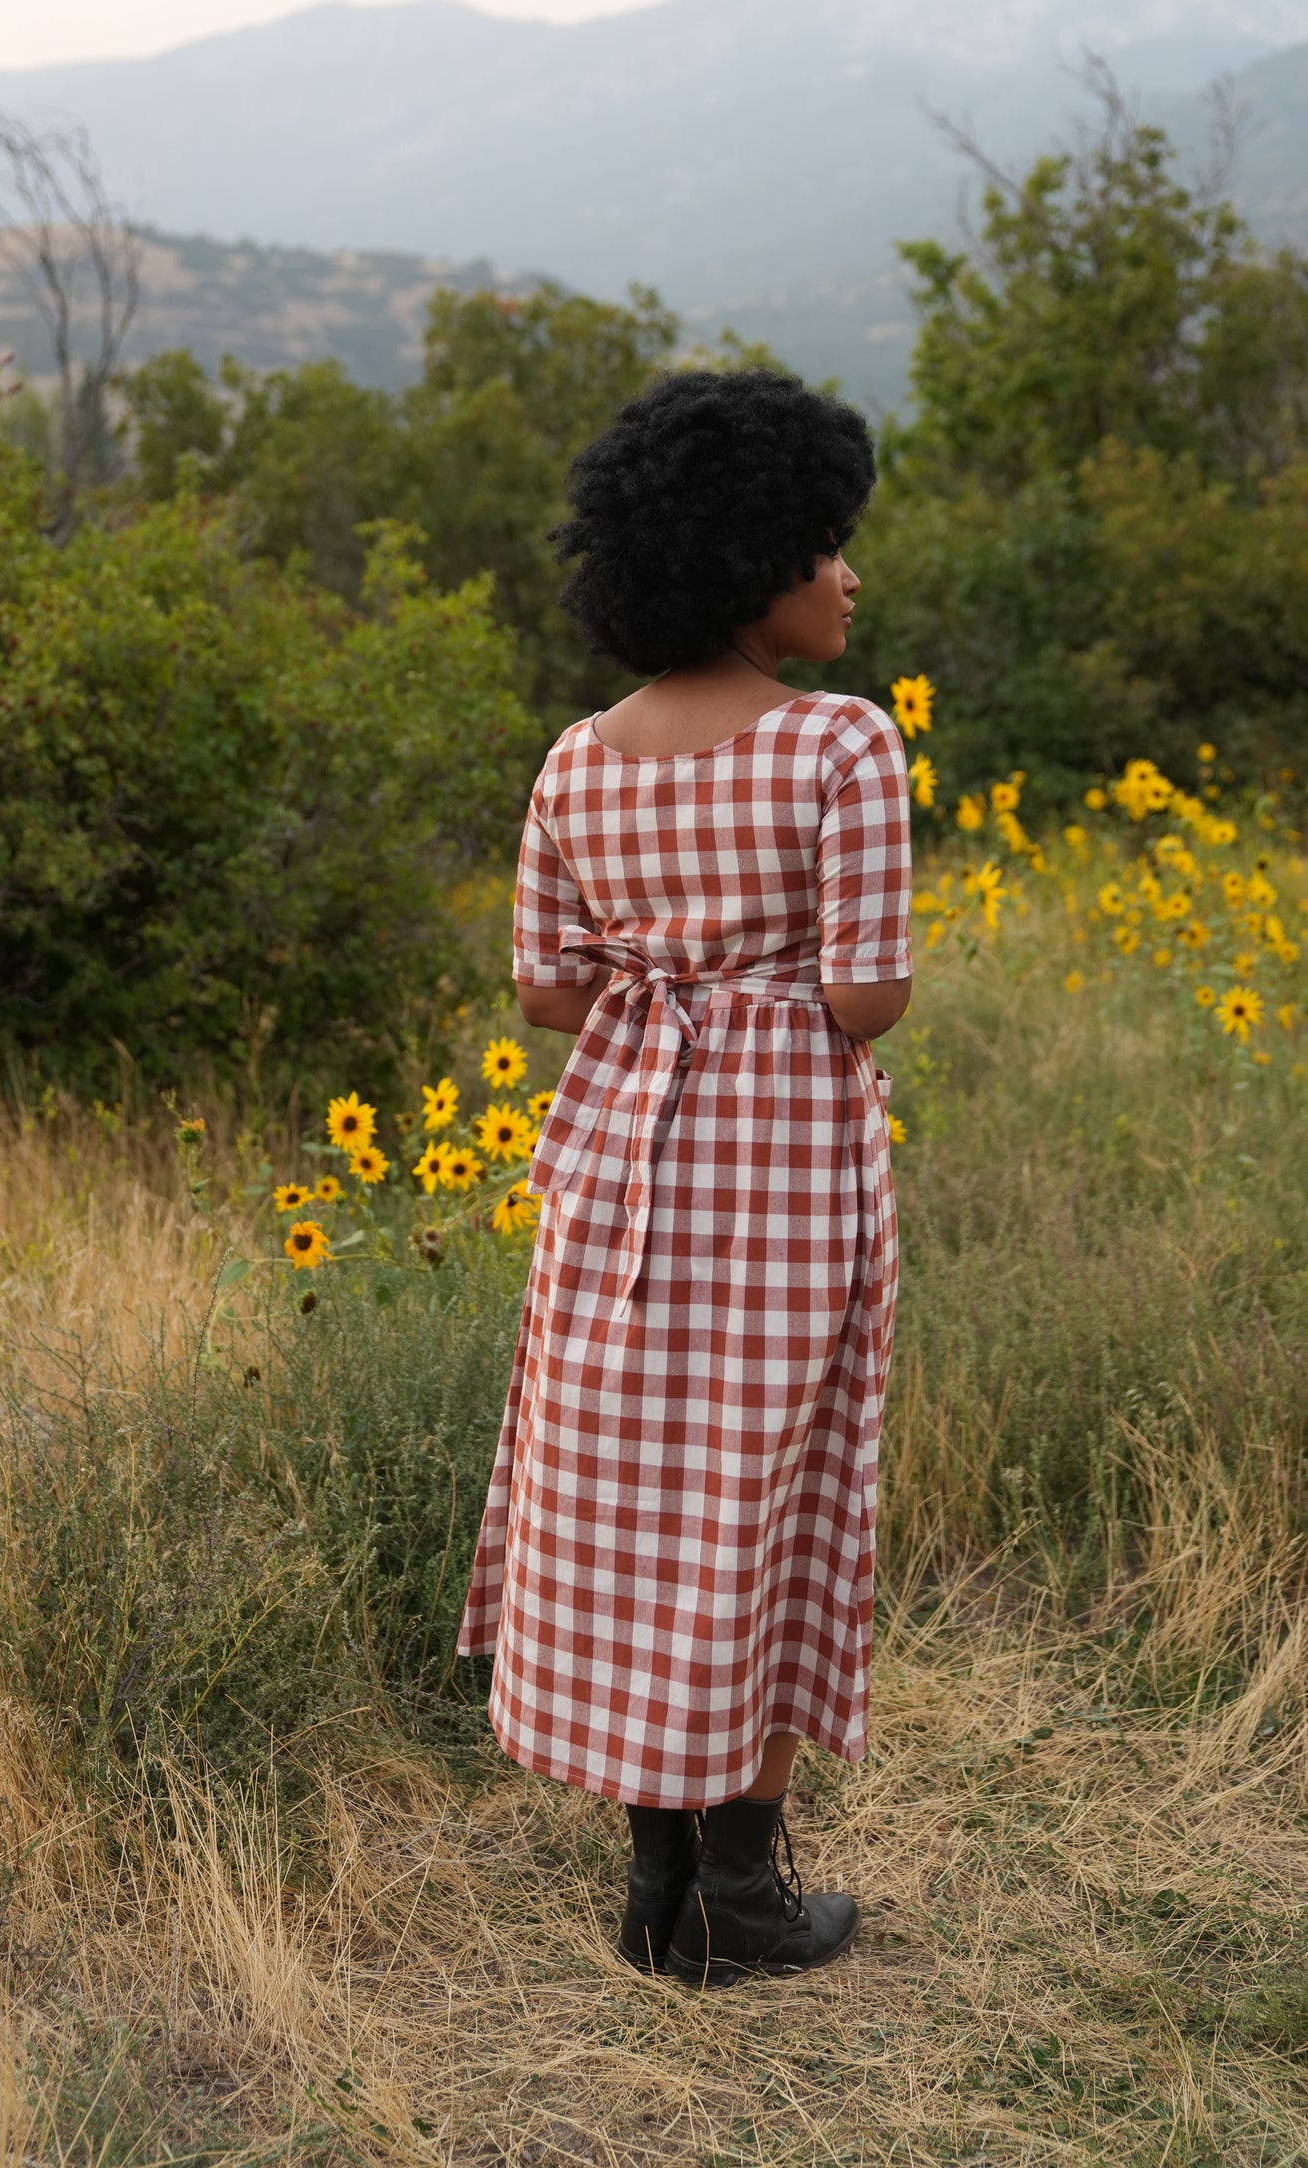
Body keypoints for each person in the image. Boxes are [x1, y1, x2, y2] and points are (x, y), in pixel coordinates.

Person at [457, 368, 912, 1988]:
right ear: (754, 561)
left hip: (616, 1171)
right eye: (828, 544)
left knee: (628, 1490)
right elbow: (862, 997)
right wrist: (762, 995)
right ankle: (738, 1892)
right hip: (780, 1180)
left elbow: (544, 992)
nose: (848, 574)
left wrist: (668, 995)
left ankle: (651, 1889)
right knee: (767, 1494)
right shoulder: (840, 746)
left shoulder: (575, 762)